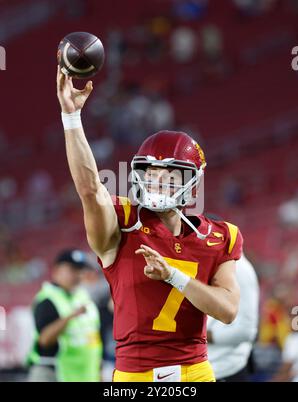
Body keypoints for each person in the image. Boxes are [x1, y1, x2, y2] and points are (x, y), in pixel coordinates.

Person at [56, 66, 243, 382]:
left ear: (192, 185)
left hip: (195, 372)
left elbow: (227, 311)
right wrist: (72, 118)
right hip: (135, 375)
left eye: (169, 176)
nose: (157, 182)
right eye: (150, 174)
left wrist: (173, 276)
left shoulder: (220, 235)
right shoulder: (124, 222)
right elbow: (89, 188)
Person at [27, 249, 102, 382]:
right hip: (52, 372)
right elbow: (45, 340)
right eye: (72, 270)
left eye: (81, 270)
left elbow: (94, 336)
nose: (78, 275)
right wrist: (71, 316)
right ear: (56, 271)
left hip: (84, 373)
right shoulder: (48, 299)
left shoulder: (83, 297)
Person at [207, 251, 259, 381]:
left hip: (224, 371)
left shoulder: (240, 269)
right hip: (200, 368)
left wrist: (200, 335)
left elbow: (246, 331)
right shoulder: (206, 259)